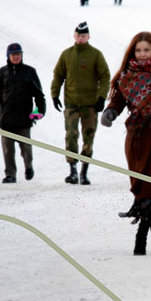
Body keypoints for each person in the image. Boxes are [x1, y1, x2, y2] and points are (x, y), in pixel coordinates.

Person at [100, 32, 151, 255]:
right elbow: (118, 99)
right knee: (141, 187)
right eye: (138, 50)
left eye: (146, 50)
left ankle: (141, 238)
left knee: (146, 189)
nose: (142, 54)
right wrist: (110, 112)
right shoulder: (127, 75)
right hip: (135, 138)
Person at [51, 22, 111, 185]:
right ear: (74, 36)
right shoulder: (66, 55)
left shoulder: (96, 55)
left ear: (88, 36)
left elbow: (105, 76)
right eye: (78, 36)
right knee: (71, 135)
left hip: (90, 104)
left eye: (84, 36)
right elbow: (58, 75)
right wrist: (54, 94)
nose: (81, 39)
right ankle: (73, 170)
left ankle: (84, 171)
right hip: (71, 103)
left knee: (88, 137)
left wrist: (101, 97)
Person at [0, 43, 47, 184]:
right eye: (13, 54)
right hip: (6, 119)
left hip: (24, 120)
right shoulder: (2, 73)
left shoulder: (30, 72)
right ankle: (10, 174)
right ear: (8, 56)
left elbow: (39, 96)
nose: (16, 57)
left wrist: (37, 113)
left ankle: (28, 167)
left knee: (26, 149)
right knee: (8, 150)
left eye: (18, 54)